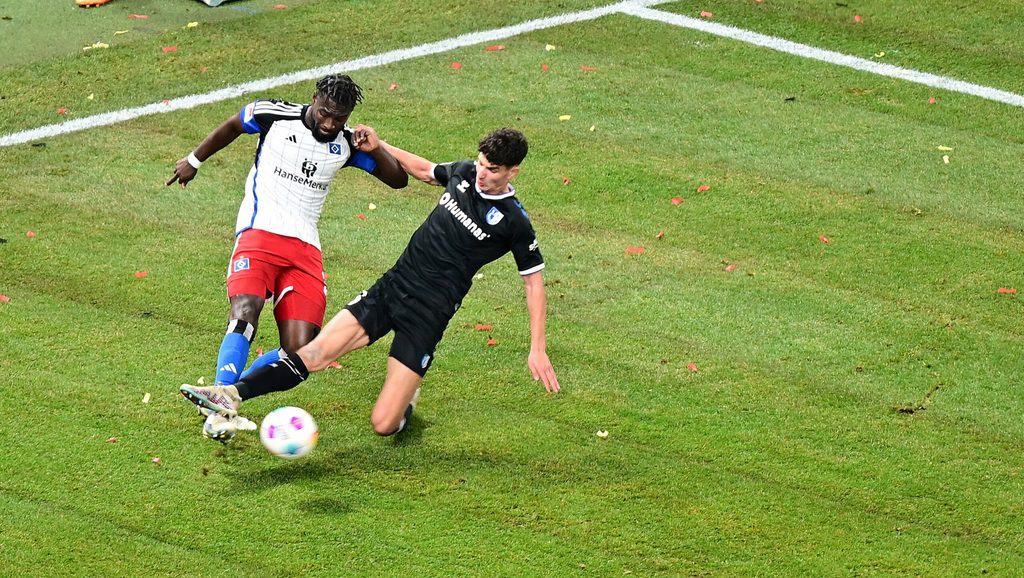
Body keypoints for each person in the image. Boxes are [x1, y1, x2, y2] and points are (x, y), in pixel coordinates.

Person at [180, 127, 559, 436]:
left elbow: (533, 283)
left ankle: (408, 400)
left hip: (429, 314)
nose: (481, 173)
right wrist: (382, 145)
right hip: (391, 288)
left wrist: (537, 348)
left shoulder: (514, 222)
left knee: (384, 425)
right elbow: (426, 170)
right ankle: (231, 393)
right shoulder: (462, 173)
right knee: (314, 354)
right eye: (480, 163)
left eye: (492, 169)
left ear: (513, 172)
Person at [168, 74, 407, 435]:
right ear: (314, 99)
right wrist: (194, 160)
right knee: (245, 312)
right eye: (325, 112)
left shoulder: (346, 144)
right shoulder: (275, 115)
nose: (329, 123)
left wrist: (376, 149)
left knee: (302, 351)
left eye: (339, 118)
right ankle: (220, 403)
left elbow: (398, 180)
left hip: (305, 249)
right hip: (259, 233)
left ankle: (227, 397)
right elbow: (233, 125)